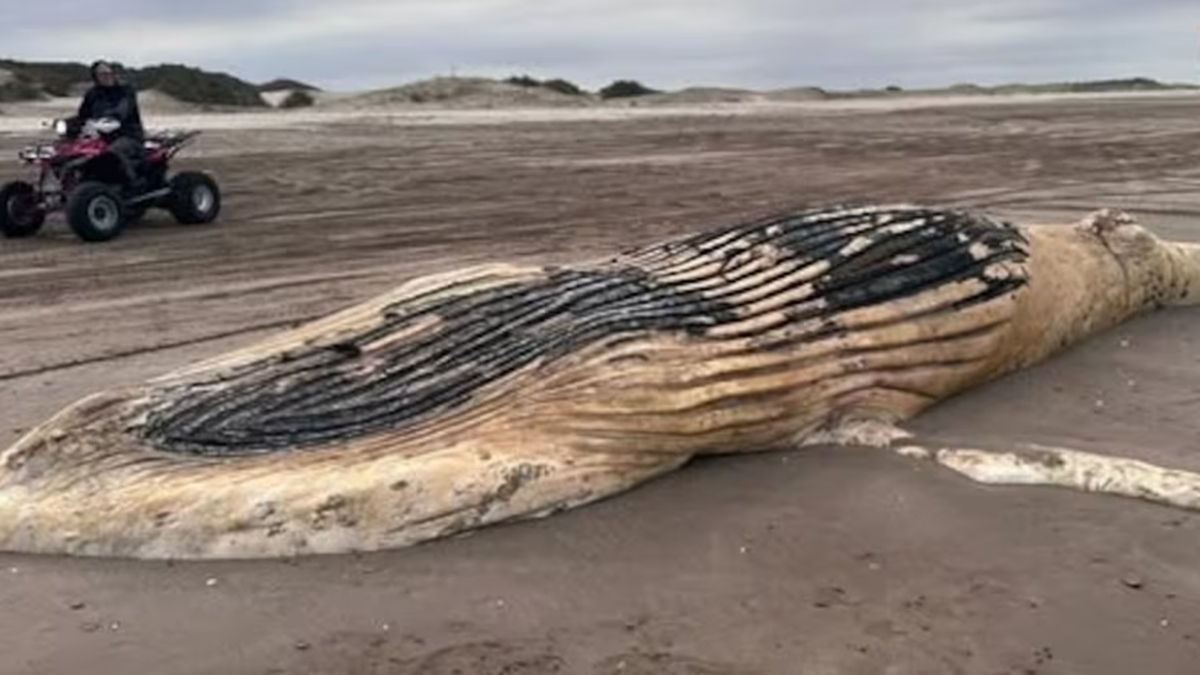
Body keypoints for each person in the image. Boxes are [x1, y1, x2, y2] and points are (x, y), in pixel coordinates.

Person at [75, 60, 146, 190]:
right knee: (70, 151)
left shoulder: (125, 91)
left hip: (128, 134)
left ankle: (132, 183)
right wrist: (66, 124)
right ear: (96, 77)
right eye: (103, 74)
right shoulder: (92, 94)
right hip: (100, 136)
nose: (108, 76)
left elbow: (123, 110)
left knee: (113, 153)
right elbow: (82, 115)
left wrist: (111, 118)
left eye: (109, 73)